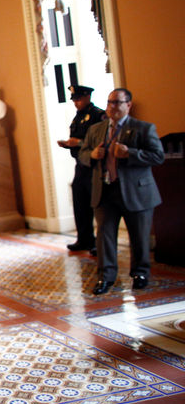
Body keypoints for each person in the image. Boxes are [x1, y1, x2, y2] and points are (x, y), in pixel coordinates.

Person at [79, 88, 164, 295]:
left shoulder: (143, 128)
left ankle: (140, 274)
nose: (112, 107)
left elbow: (158, 156)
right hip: (105, 191)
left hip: (136, 192)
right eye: (110, 103)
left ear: (129, 105)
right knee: (104, 237)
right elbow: (82, 154)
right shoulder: (96, 130)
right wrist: (93, 154)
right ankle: (106, 278)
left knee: (139, 237)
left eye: (117, 103)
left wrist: (130, 153)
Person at [56, 85, 105, 254]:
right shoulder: (78, 117)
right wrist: (68, 144)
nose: (76, 103)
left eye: (78, 99)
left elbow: (101, 142)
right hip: (80, 165)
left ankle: (101, 243)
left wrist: (79, 143)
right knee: (80, 202)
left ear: (87, 97)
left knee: (97, 205)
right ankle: (84, 238)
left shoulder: (98, 115)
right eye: (74, 100)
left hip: (95, 166)